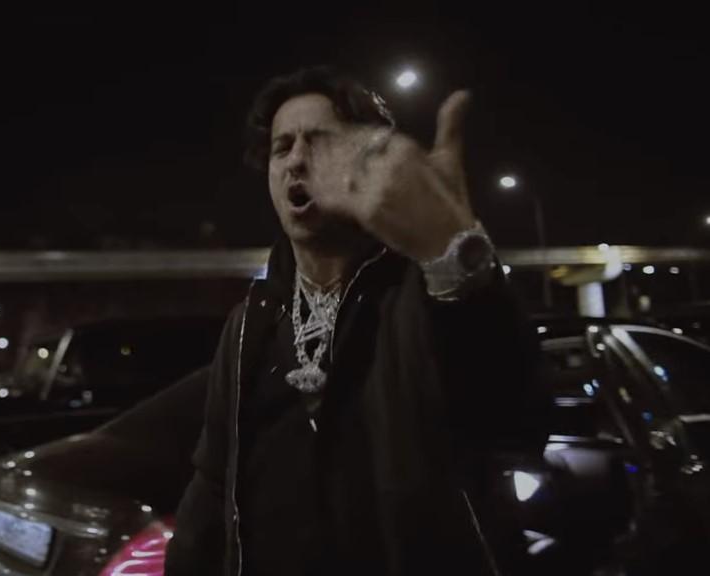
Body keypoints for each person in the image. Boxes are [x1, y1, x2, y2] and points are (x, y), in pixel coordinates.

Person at [165, 66, 549, 576]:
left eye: (319, 142)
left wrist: (452, 256)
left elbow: (515, 420)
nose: (296, 159)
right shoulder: (247, 325)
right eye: (282, 147)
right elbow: (213, 484)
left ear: (366, 161)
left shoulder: (426, 293)